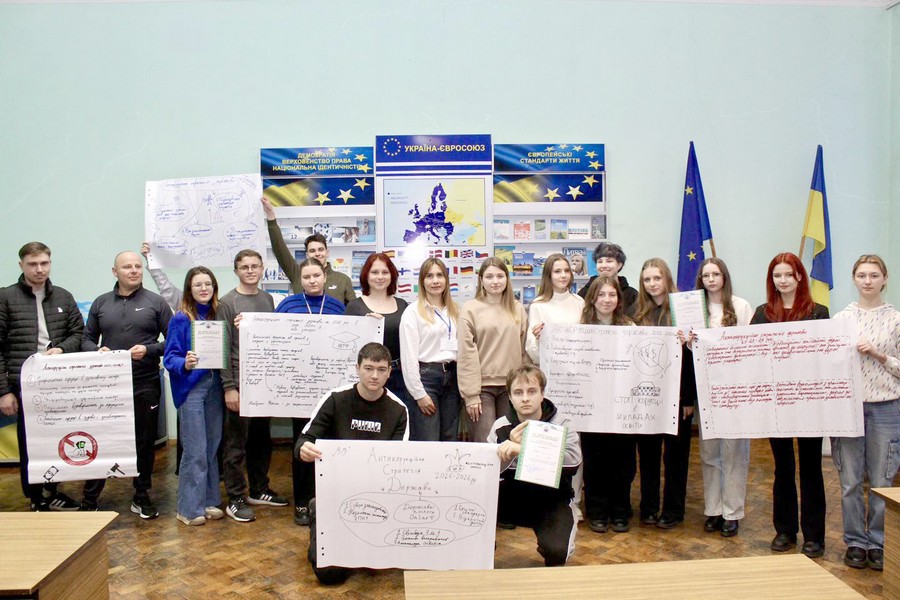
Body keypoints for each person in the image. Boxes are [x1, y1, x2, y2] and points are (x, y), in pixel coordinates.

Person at [297, 342, 409, 585]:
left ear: (389, 372)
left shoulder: (399, 410)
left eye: (381, 370)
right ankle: (318, 514)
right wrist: (303, 449)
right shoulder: (335, 399)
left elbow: (398, 462)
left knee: (380, 562)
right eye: (368, 368)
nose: (374, 375)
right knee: (329, 575)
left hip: (376, 497)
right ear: (357, 368)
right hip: (334, 492)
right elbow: (304, 439)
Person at [80, 251, 172, 517]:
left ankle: (141, 495)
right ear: (115, 272)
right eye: (127, 267)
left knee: (144, 441)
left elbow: (173, 341)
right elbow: (86, 339)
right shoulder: (101, 303)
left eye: (137, 266)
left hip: (145, 382)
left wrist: (149, 350)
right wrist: (96, 351)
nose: (134, 271)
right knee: (101, 438)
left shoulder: (156, 302)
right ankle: (90, 498)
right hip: (108, 385)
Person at [750, 252, 829, 558]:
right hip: (775, 403)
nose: (782, 280)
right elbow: (750, 353)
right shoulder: (763, 313)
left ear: (799, 277)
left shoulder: (818, 312)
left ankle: (814, 536)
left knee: (811, 468)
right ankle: (784, 531)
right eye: (777, 275)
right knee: (782, 468)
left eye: (788, 274)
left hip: (809, 401)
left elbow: (824, 355)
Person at [0, 242, 84, 511]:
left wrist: (62, 349)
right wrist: (4, 391)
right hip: (23, 384)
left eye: (44, 263)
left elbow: (78, 334)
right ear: (21, 265)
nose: (39, 269)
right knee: (31, 443)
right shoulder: (6, 297)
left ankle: (53, 491)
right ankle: (36, 498)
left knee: (57, 439)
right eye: (33, 264)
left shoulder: (63, 296)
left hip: (58, 383)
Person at [831, 254, 900, 571]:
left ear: (885, 279)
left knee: (882, 479)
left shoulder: (895, 319)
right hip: (848, 408)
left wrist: (878, 354)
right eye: (862, 275)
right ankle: (856, 541)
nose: (868, 281)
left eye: (874, 275)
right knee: (850, 480)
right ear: (854, 279)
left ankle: (878, 542)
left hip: (886, 407)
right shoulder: (841, 319)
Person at [218, 250, 288, 523]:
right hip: (239, 382)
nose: (250, 271)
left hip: (263, 382)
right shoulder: (227, 302)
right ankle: (235, 497)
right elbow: (223, 347)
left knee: (261, 439)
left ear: (262, 269)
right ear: (236, 270)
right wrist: (229, 387)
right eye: (244, 267)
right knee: (236, 445)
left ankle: (259, 489)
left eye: (255, 266)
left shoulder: (267, 299)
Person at [488, 365, 582, 566]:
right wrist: (508, 455)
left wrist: (524, 449)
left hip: (551, 499)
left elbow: (573, 461)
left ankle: (554, 537)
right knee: (477, 507)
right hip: (512, 499)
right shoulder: (500, 426)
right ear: (510, 397)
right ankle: (484, 547)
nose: (525, 398)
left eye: (532, 391)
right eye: (518, 393)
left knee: (557, 553)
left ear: (542, 394)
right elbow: (487, 470)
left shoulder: (562, 423)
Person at [274, 257, 345, 525]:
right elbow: (270, 337)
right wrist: (246, 325)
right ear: (300, 280)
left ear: (325, 276)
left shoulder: (337, 306)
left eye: (316, 275)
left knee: (330, 446)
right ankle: (302, 503)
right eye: (306, 277)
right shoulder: (287, 305)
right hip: (299, 391)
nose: (312, 281)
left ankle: (325, 500)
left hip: (331, 391)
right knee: (302, 445)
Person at [630, 258, 696, 529]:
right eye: (647, 280)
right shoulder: (636, 313)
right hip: (647, 397)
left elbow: (692, 360)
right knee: (648, 455)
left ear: (667, 279)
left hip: (678, 397)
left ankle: (673, 510)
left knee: (676, 457)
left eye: (657, 278)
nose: (652, 284)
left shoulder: (683, 311)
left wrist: (688, 398)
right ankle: (648, 507)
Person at [692, 258, 753, 537]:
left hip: (735, 390)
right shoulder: (695, 309)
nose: (711, 279)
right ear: (701, 280)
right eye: (706, 275)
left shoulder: (740, 306)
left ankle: (732, 512)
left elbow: (751, 346)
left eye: (716, 274)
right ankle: (713, 509)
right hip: (706, 389)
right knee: (709, 454)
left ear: (724, 277)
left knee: (734, 453)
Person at [163, 267, 225, 526]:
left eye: (208, 284)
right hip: (191, 389)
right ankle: (188, 509)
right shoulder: (181, 318)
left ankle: (209, 501)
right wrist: (185, 363)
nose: (203, 289)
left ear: (214, 287)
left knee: (211, 448)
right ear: (189, 289)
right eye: (198, 284)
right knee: (195, 449)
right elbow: (169, 358)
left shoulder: (219, 315)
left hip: (216, 386)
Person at [580, 276, 636, 534]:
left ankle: (621, 511)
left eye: (612, 295)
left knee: (624, 462)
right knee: (595, 460)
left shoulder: (629, 326)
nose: (606, 299)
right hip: (592, 406)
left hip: (622, 406)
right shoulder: (581, 328)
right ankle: (598, 511)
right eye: (601, 294)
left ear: (619, 299)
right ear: (592, 298)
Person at [458, 257, 528, 444]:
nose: (495, 281)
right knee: (485, 445)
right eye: (489, 277)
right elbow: (466, 353)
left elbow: (524, 350)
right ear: (481, 280)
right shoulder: (470, 309)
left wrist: (525, 388)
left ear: (507, 278)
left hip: (512, 387)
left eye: (500, 276)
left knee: (511, 443)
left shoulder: (518, 309)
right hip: (481, 388)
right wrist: (471, 395)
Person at [398, 258, 461, 441]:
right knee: (428, 439)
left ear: (446, 280)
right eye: (429, 276)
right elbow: (408, 357)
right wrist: (418, 394)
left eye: (440, 275)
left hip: (452, 379)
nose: (435, 281)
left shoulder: (456, 310)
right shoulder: (413, 312)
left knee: (450, 439)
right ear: (422, 281)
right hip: (426, 379)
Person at [261, 197, 355, 305]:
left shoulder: (342, 280)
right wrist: (270, 215)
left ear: (327, 252)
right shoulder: (297, 274)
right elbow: (279, 249)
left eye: (321, 249)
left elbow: (354, 309)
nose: (317, 254)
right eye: (312, 250)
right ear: (307, 255)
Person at [346, 253, 409, 404]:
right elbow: (347, 346)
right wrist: (365, 326)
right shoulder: (354, 306)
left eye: (385, 272)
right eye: (374, 272)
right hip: (367, 376)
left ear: (392, 276)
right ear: (366, 275)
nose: (380, 277)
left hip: (398, 375)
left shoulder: (402, 305)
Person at [525, 253, 584, 365]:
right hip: (549, 368)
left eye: (567, 271)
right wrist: (538, 339)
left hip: (577, 366)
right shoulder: (538, 305)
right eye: (557, 271)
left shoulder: (579, 302)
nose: (563, 275)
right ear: (548, 275)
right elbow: (532, 350)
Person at [578, 242, 638, 312]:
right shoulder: (585, 292)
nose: (603, 266)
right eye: (600, 262)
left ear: (619, 265)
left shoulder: (632, 295)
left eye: (609, 261)